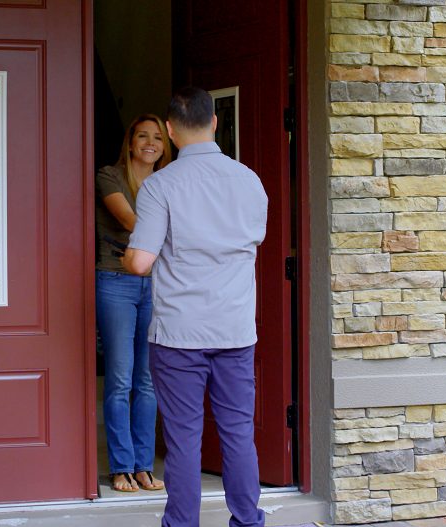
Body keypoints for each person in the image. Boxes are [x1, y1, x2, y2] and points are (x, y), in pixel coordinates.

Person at [123, 87, 268, 527]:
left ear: (169, 131)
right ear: (215, 123)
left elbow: (142, 261)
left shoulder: (160, 185)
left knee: (184, 440)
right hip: (235, 330)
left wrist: (131, 256)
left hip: (179, 335)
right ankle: (248, 521)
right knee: (238, 433)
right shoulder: (249, 180)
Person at [96, 113, 171, 493]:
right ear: (130, 142)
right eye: (143, 136)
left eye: (157, 137)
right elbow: (130, 221)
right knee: (121, 379)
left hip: (156, 283)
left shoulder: (167, 180)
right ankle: (120, 466)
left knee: (148, 380)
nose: (150, 143)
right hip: (116, 280)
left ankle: (143, 465)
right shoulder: (110, 176)